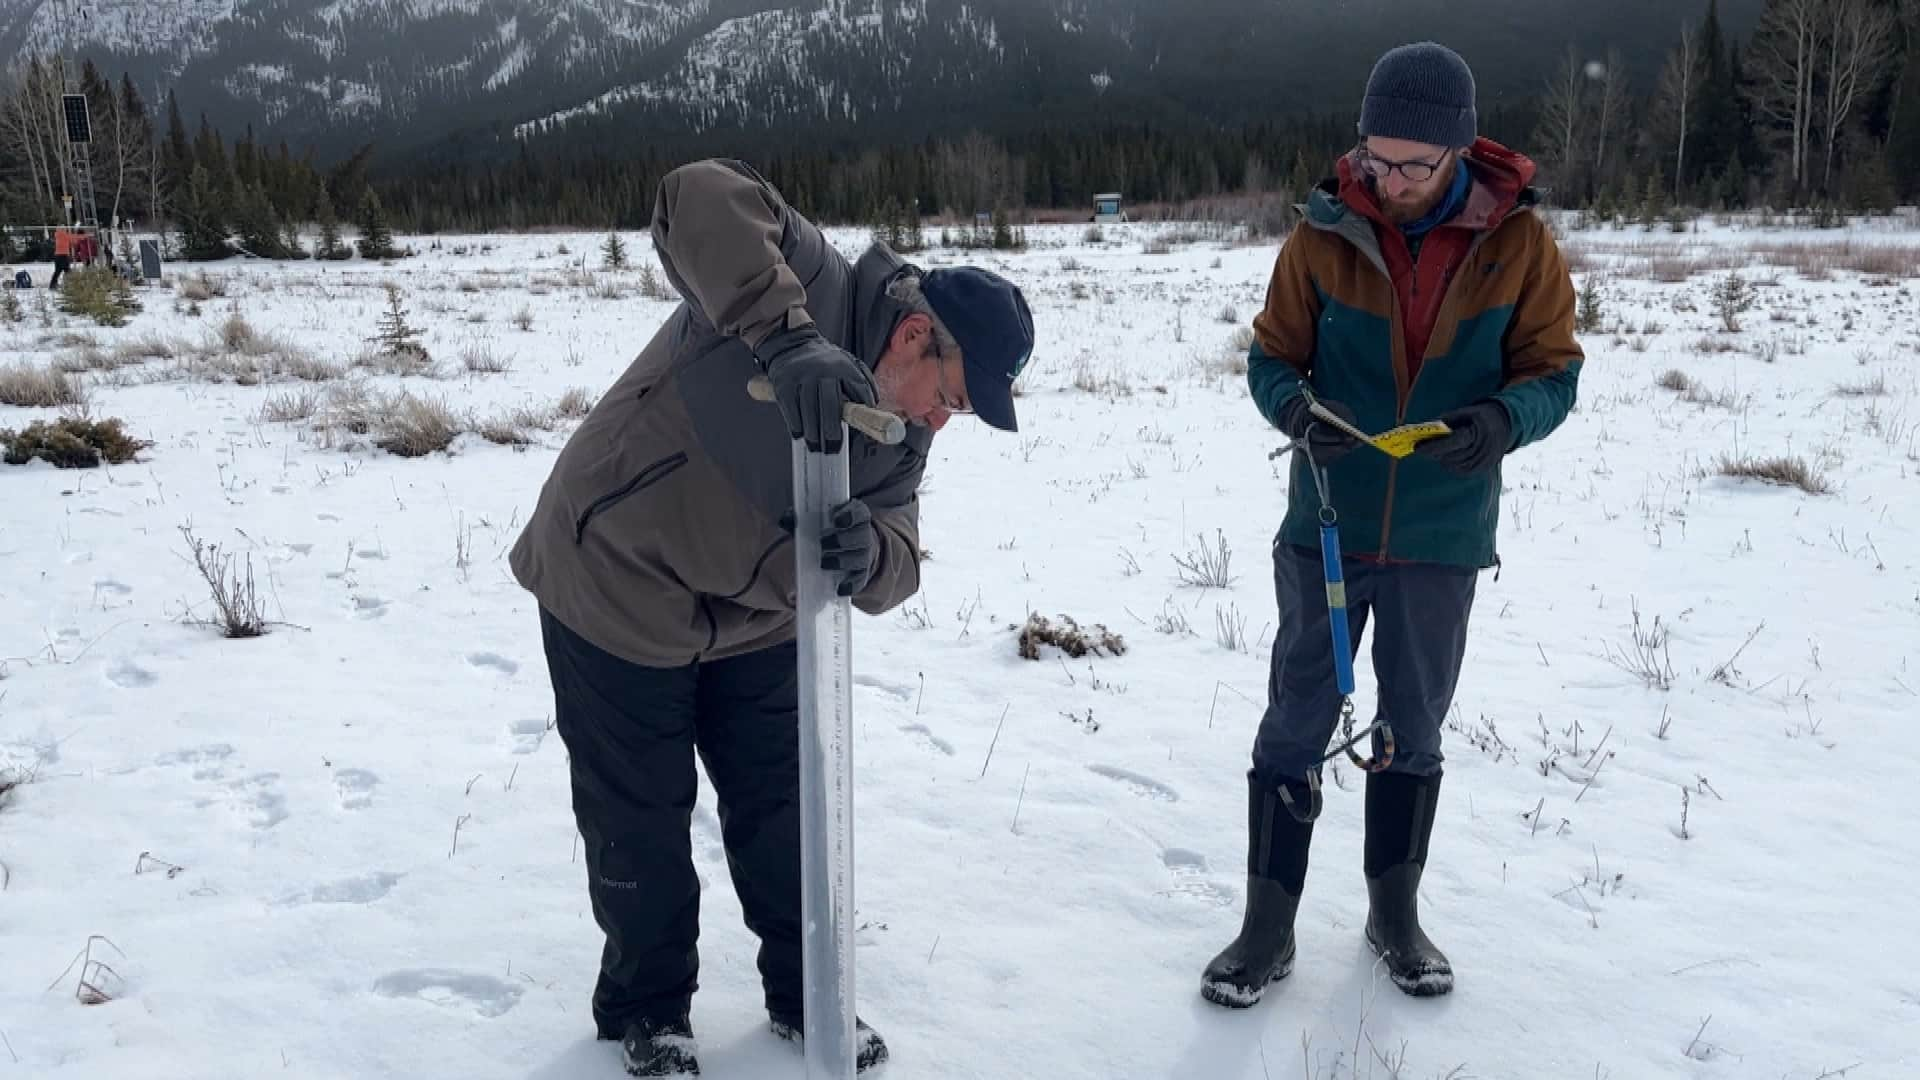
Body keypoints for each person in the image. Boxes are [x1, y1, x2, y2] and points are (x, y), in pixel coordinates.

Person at [509, 158, 1034, 1077]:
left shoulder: (902, 434)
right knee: (639, 818)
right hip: (617, 582)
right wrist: (786, 341)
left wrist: (872, 556)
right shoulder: (814, 282)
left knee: (786, 813)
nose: (941, 424)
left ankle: (808, 995)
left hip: (754, 619)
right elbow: (694, 192)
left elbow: (899, 546)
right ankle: (649, 1010)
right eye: (950, 397)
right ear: (914, 335)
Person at [1201, 41, 1583, 1007]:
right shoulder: (1320, 238)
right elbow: (1271, 357)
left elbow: (1553, 371)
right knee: (1294, 720)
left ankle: (1394, 916)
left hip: (1440, 536)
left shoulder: (1520, 246)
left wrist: (1502, 423)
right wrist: (1291, 409)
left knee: (1412, 725)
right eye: (1378, 158)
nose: (1395, 180)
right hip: (1325, 524)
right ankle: (1265, 927)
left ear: (1459, 151)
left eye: (1416, 163)